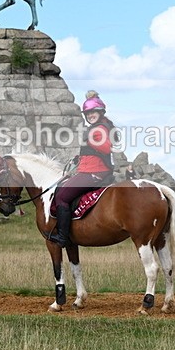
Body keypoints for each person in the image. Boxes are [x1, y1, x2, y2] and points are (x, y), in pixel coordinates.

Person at [50, 91, 117, 247]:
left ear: (100, 112)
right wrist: (79, 158)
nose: (90, 115)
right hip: (90, 169)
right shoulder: (99, 127)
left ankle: (63, 237)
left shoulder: (99, 129)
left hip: (94, 172)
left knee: (61, 197)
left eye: (93, 112)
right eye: (88, 113)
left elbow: (106, 148)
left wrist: (91, 140)